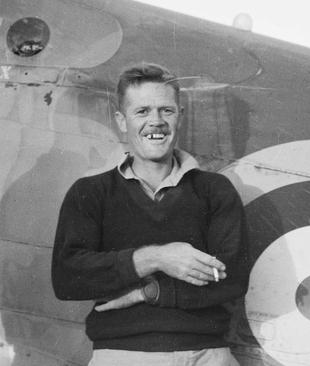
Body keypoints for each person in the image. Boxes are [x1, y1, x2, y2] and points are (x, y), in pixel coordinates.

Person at [51, 63, 248, 366]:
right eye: (142, 112)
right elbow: (67, 278)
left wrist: (151, 292)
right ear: (121, 120)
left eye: (165, 111)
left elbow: (231, 276)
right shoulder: (89, 192)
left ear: (179, 116)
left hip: (206, 356)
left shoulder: (215, 190)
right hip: (122, 357)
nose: (155, 122)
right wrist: (156, 258)